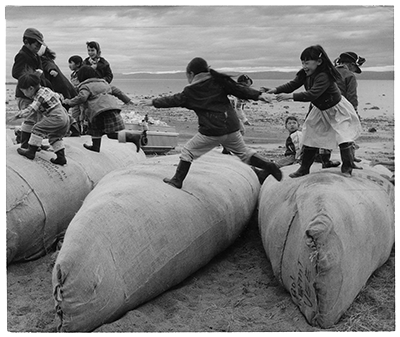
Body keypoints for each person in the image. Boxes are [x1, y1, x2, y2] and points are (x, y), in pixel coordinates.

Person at [140, 57, 282, 189]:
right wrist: (259, 95)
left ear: (190, 74)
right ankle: (269, 166)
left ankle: (177, 180)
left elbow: (173, 100)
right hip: (232, 128)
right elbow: (239, 90)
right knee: (244, 153)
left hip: (212, 131)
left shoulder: (191, 91)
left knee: (188, 151)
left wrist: (153, 102)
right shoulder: (219, 81)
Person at [266, 45, 362, 178]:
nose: (304, 66)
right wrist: (275, 90)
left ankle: (347, 167)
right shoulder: (305, 74)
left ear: (319, 62)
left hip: (337, 109)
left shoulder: (324, 75)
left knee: (343, 136)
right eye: (303, 62)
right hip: (320, 110)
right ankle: (304, 168)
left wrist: (290, 97)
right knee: (310, 136)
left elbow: (312, 94)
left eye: (307, 62)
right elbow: (292, 85)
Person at [62, 65, 141, 153]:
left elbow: (82, 97)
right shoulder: (104, 83)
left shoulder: (85, 86)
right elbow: (118, 92)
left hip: (97, 111)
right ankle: (97, 146)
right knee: (109, 133)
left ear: (81, 77)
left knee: (96, 130)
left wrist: (69, 102)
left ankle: (133, 137)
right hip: (111, 109)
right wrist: (127, 101)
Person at [15, 72, 70, 165]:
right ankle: (61, 158)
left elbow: (32, 108)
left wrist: (21, 113)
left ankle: (31, 151)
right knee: (55, 137)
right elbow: (58, 96)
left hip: (55, 116)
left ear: (31, 88)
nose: (24, 94)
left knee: (37, 128)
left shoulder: (39, 96)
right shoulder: (46, 90)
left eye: (24, 91)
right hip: (64, 116)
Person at [11, 28, 53, 149]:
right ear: (26, 42)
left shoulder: (35, 56)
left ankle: (35, 144)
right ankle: (25, 144)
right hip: (25, 94)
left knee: (38, 120)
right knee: (30, 119)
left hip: (34, 93)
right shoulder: (22, 55)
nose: (38, 46)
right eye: (36, 44)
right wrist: (34, 76)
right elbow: (16, 73)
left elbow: (41, 76)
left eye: (40, 44)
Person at [335, 51, 366, 165]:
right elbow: (352, 95)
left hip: (325, 105)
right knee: (348, 132)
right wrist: (355, 110)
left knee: (324, 131)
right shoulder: (349, 75)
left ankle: (322, 158)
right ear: (351, 65)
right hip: (343, 106)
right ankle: (349, 161)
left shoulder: (330, 72)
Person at [222, 74, 252, 155]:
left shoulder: (233, 89)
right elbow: (238, 108)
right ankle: (231, 148)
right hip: (230, 114)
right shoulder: (240, 93)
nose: (248, 88)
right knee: (241, 130)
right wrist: (244, 120)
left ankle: (227, 147)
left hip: (223, 112)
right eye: (248, 85)